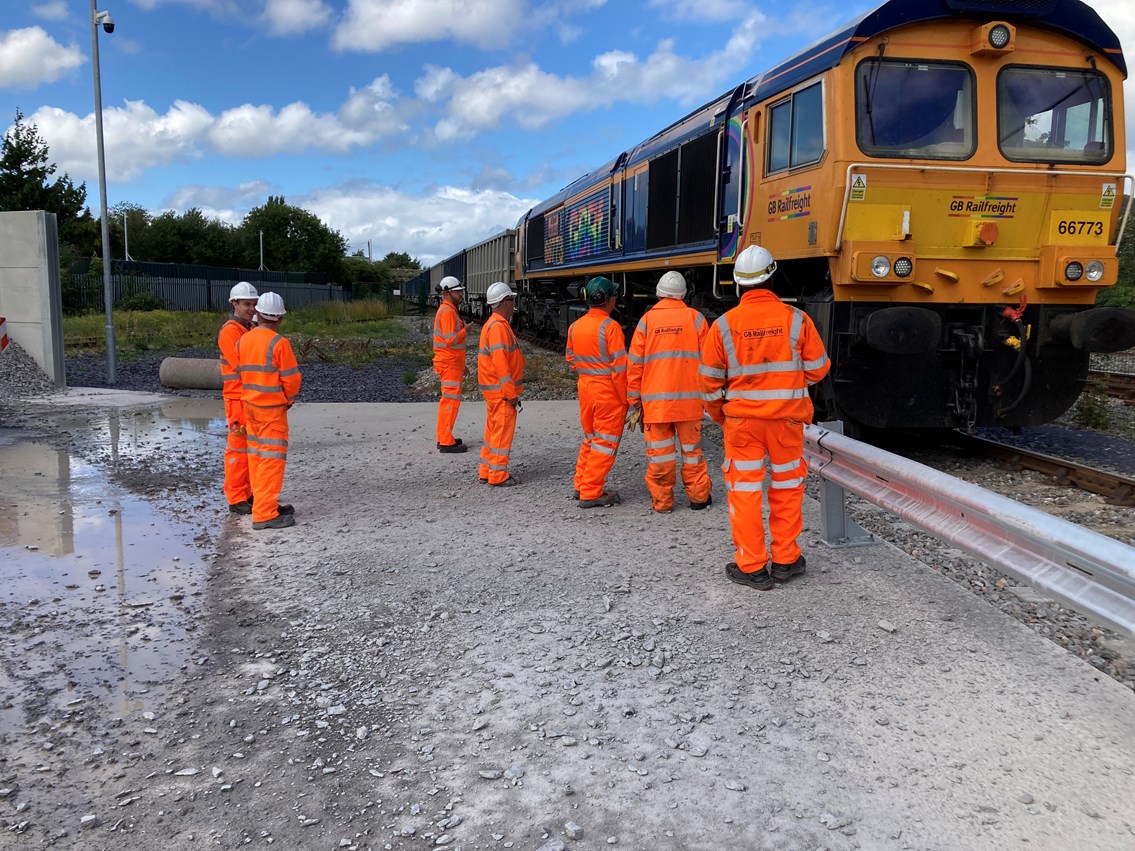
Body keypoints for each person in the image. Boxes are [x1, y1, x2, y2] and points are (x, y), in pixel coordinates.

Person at [700, 245, 831, 590]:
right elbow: (818, 371)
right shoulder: (798, 320)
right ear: (772, 278)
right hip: (787, 422)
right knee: (787, 489)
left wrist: (719, 416)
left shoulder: (724, 325)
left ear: (738, 285)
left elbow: (710, 384)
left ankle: (752, 566)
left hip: (742, 424)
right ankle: (786, 560)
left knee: (744, 493)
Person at [627, 271, 712, 513]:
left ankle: (663, 502)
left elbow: (634, 364)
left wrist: (634, 400)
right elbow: (709, 364)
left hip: (657, 406)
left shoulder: (647, 321)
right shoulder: (696, 319)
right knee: (692, 454)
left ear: (659, 294)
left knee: (661, 458)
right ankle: (698, 498)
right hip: (690, 405)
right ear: (683, 295)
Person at [237, 292, 302, 530]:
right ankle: (265, 513)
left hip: (250, 408)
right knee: (271, 462)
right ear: (280, 319)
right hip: (271, 411)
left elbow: (239, 371)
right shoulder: (279, 343)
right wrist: (288, 399)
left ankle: (263, 504)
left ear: (257, 314)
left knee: (256, 458)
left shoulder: (243, 340)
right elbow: (292, 379)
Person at [566, 276, 628, 508]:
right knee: (605, 442)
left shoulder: (575, 326)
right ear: (609, 299)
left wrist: (587, 372)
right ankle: (591, 491)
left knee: (590, 438)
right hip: (607, 392)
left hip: (586, 389)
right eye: (614, 295)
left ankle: (581, 483)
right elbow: (620, 369)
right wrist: (626, 398)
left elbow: (571, 358)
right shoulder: (610, 327)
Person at [477, 282, 525, 486]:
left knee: (492, 432)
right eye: (511, 300)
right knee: (501, 433)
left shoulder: (494, 324)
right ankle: (497, 475)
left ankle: (487, 470)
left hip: (493, 392)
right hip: (501, 393)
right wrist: (510, 393)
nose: (514, 304)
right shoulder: (498, 327)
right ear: (504, 302)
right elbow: (501, 365)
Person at [218, 281, 258, 515]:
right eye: (246, 304)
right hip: (237, 399)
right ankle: (236, 497)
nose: (251, 308)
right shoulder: (231, 331)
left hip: (249, 397)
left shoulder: (247, 329)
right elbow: (243, 365)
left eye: (254, 304)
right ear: (234, 303)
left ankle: (248, 493)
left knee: (250, 450)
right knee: (238, 450)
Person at [433, 275, 469, 453]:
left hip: (452, 363)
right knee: (450, 403)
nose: (461, 294)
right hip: (449, 364)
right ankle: (446, 442)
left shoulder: (449, 309)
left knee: (449, 402)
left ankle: (444, 437)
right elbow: (450, 340)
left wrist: (463, 366)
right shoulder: (447, 311)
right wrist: (465, 330)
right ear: (447, 293)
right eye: (458, 291)